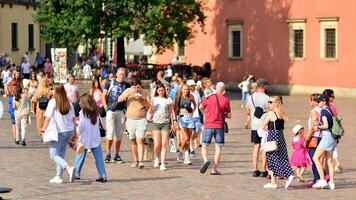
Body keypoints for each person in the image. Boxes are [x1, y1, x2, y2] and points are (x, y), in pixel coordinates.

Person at [40, 85, 76, 184]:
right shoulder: (69, 103)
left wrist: (43, 131)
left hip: (59, 132)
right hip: (68, 131)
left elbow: (47, 118)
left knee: (53, 154)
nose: (52, 91)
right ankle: (58, 176)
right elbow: (74, 119)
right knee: (61, 154)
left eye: (53, 90)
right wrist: (75, 132)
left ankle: (68, 168)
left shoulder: (53, 102)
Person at [261, 96, 294, 189]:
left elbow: (263, 126)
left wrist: (266, 125)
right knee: (283, 155)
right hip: (280, 135)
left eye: (271, 102)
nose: (269, 104)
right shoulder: (281, 112)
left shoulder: (271, 113)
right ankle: (273, 182)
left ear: (276, 103)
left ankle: (289, 174)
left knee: (272, 157)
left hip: (272, 135)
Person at [73, 94, 107, 182]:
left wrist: (77, 130)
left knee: (80, 156)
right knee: (99, 158)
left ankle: (76, 173)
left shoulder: (82, 113)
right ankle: (102, 175)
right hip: (95, 138)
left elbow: (81, 126)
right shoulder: (96, 112)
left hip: (84, 138)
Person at [199, 82, 231, 175]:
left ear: (215, 88)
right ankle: (214, 169)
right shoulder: (225, 100)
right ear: (223, 90)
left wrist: (205, 114)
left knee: (205, 145)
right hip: (219, 126)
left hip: (209, 125)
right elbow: (229, 115)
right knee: (218, 148)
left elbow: (200, 107)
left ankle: (205, 161)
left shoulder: (208, 98)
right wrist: (222, 114)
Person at [118, 78, 150, 168]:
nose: (136, 89)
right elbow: (119, 99)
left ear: (141, 86)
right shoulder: (128, 91)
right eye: (135, 87)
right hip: (130, 119)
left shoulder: (145, 92)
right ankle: (135, 161)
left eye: (138, 87)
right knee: (133, 141)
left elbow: (149, 106)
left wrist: (141, 99)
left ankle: (141, 161)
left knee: (140, 140)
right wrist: (129, 93)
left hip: (141, 119)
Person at [101, 67, 130, 163]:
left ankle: (117, 154)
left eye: (123, 74)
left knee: (119, 135)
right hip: (111, 110)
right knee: (110, 133)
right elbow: (103, 96)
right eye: (120, 74)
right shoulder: (110, 83)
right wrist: (106, 108)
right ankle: (108, 154)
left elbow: (128, 98)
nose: (121, 76)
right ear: (116, 74)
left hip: (121, 111)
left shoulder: (127, 85)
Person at [149, 83, 175, 171]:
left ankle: (163, 163)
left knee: (164, 144)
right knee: (157, 144)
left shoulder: (168, 100)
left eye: (162, 90)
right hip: (156, 122)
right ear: (157, 91)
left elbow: (171, 112)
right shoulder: (154, 99)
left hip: (166, 123)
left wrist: (173, 122)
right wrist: (151, 106)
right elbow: (151, 111)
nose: (161, 92)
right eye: (159, 90)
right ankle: (157, 158)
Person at [312, 94, 336, 189]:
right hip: (332, 137)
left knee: (315, 158)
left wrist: (317, 126)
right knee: (329, 160)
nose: (317, 103)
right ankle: (332, 183)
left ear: (324, 102)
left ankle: (322, 180)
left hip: (327, 137)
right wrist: (319, 124)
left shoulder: (323, 111)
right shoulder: (330, 111)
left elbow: (326, 126)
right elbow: (329, 124)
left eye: (319, 101)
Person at [246, 79, 269, 177]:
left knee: (256, 147)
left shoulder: (250, 97)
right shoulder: (268, 98)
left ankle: (255, 169)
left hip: (254, 126)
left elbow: (247, 111)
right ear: (264, 86)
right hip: (264, 126)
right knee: (264, 148)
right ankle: (264, 170)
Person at [174, 84, 196, 164]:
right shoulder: (178, 97)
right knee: (186, 137)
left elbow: (195, 105)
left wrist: (192, 113)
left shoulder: (191, 96)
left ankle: (186, 158)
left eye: (187, 89)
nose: (186, 91)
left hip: (189, 118)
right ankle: (180, 151)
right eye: (184, 89)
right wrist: (175, 120)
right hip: (181, 117)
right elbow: (175, 108)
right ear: (181, 89)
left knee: (188, 140)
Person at [304, 93, 322, 187]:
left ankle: (317, 178)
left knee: (314, 159)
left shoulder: (314, 111)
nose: (309, 101)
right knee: (319, 159)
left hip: (314, 137)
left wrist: (307, 138)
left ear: (315, 102)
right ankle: (320, 177)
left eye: (310, 100)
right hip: (321, 137)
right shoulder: (322, 110)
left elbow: (312, 127)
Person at [322, 89, 342, 173]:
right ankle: (336, 164)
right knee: (332, 150)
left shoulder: (329, 107)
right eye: (332, 96)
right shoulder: (331, 107)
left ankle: (325, 173)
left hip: (327, 132)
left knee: (326, 154)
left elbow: (335, 121)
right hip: (332, 132)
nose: (333, 98)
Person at [187, 80, 202, 157]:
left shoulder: (197, 93)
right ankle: (191, 148)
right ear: (188, 86)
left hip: (196, 115)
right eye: (192, 85)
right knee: (191, 132)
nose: (193, 87)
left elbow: (199, 103)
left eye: (194, 85)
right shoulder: (187, 94)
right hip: (189, 116)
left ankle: (189, 143)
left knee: (197, 132)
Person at [6, 70, 21, 143]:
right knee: (14, 121)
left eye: (18, 74)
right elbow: (6, 85)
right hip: (12, 99)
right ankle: (15, 138)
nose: (17, 75)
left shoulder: (19, 82)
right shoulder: (11, 81)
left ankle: (18, 137)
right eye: (16, 74)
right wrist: (8, 92)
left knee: (18, 121)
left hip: (18, 99)